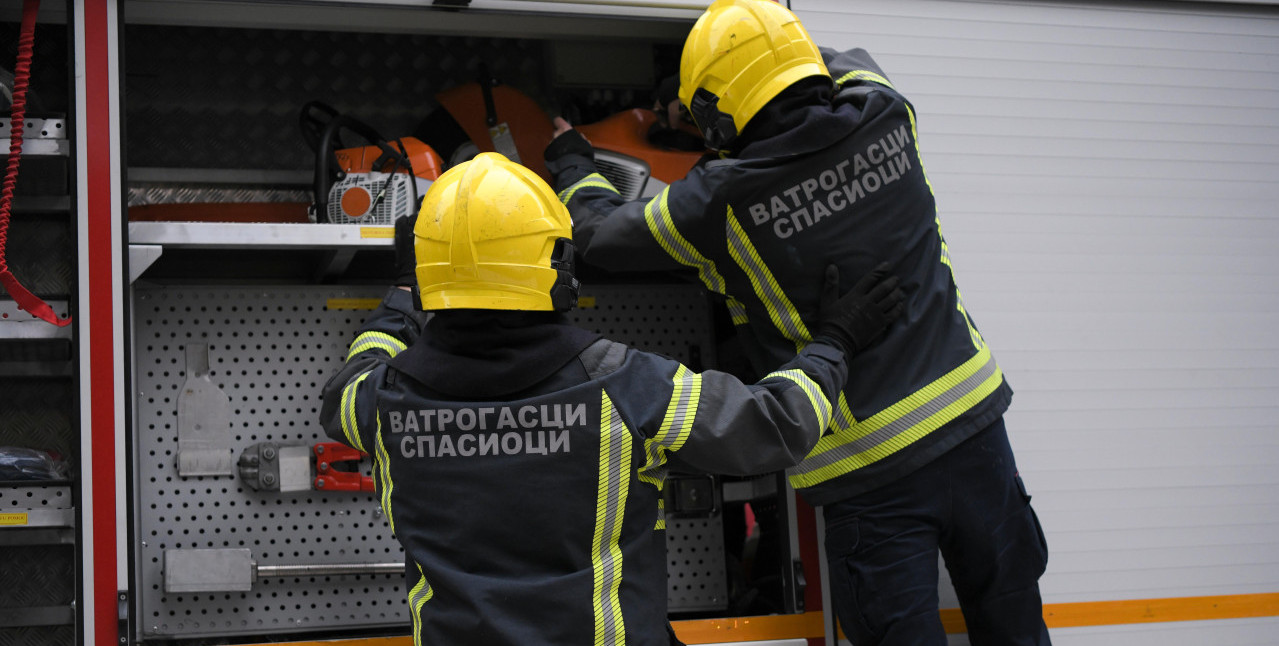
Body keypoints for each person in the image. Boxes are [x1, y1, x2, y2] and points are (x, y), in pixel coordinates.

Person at [542, 0, 1050, 646]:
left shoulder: (715, 202)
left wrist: (572, 161)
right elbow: (835, 65)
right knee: (1015, 628)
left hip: (869, 473)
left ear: (714, 113)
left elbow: (597, 233)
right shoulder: (884, 108)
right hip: (977, 431)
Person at [317, 151, 905, 645]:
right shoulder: (624, 385)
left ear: (427, 275)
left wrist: (400, 297)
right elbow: (778, 425)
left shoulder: (381, 402)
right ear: (556, 263)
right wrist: (836, 341)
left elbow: (346, 387)